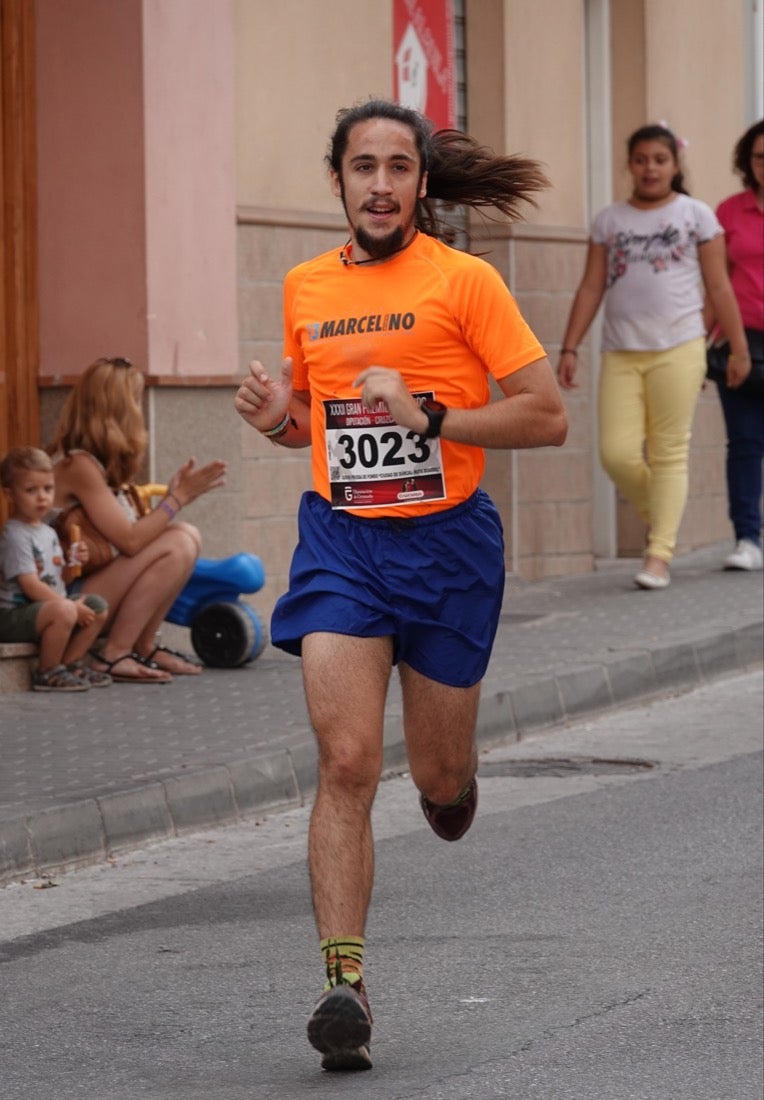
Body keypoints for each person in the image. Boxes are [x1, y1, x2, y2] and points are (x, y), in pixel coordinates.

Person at [234, 98, 567, 1072]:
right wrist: (272, 420)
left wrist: (429, 415)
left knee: (433, 777)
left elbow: (543, 414)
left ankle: (454, 784)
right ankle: (345, 982)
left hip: (448, 548)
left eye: (395, 167)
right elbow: (316, 426)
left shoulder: (464, 281)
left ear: (421, 183)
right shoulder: (303, 286)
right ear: (335, 180)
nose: (378, 183)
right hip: (341, 542)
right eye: (360, 166)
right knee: (343, 760)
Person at [557, 123, 750, 590]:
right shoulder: (610, 220)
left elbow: (720, 285)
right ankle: (664, 518)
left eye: (659, 160)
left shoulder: (696, 215)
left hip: (681, 347)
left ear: (675, 165)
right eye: (641, 159)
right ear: (630, 164)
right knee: (617, 453)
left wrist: (739, 348)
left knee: (669, 452)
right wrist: (570, 346)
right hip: (621, 350)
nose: (650, 168)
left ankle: (658, 553)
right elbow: (591, 286)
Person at [48, 357, 227, 683]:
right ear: (117, 407)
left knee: (187, 537)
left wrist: (172, 499)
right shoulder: (77, 464)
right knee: (179, 539)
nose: (140, 409)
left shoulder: (95, 463)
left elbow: (130, 540)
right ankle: (113, 653)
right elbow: (130, 542)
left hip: (90, 586)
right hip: (66, 596)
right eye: (136, 398)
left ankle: (143, 645)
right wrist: (177, 499)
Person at [0, 446, 111, 691]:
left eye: (47, 489)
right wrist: (70, 607)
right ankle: (47, 670)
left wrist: (74, 564)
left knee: (98, 607)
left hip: (47, 606)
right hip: (14, 614)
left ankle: (71, 663)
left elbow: (60, 580)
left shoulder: (48, 532)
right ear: (10, 495)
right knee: (65, 611)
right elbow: (30, 585)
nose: (42, 497)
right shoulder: (15, 535)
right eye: (31, 490)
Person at [707, 119, 764, 571]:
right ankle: (748, 538)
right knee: (744, 442)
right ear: (748, 161)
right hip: (742, 340)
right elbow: (715, 284)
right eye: (760, 156)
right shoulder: (728, 212)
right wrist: (701, 347)